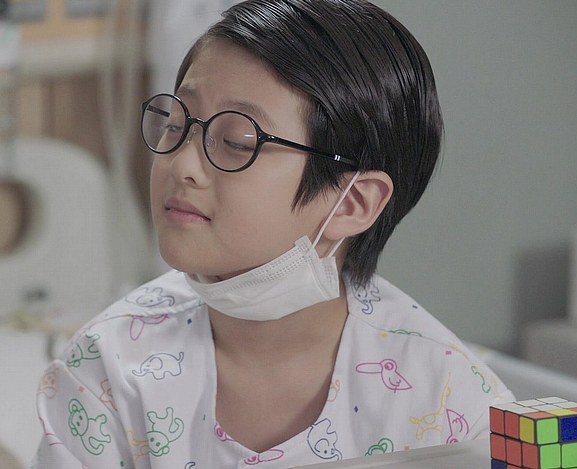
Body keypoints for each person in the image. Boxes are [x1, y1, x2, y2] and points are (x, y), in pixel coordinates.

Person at [33, 1, 513, 467]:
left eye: (237, 142)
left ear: (352, 202)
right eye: (177, 124)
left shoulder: (450, 402)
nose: (181, 165)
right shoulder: (107, 370)